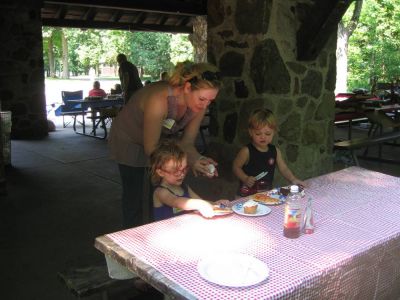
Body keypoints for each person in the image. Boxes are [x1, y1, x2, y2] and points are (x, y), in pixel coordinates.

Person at [108, 61, 222, 228]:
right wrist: (187, 162)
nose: (205, 105)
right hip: (129, 140)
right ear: (188, 87)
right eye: (202, 99)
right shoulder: (159, 99)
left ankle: (156, 229)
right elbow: (151, 149)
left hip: (160, 144)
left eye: (211, 101)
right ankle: (131, 239)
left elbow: (187, 143)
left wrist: (198, 160)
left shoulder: (200, 104)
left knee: (158, 191)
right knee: (135, 196)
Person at [232, 109, 306, 197]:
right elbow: (236, 166)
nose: (263, 137)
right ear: (250, 132)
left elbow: (284, 169)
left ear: (274, 132)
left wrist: (293, 179)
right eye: (258, 134)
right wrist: (245, 178)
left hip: (266, 195)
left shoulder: (275, 151)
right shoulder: (246, 151)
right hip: (246, 196)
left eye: (267, 134)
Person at [150, 140, 229, 221]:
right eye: (175, 171)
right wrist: (201, 204)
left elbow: (200, 201)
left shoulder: (184, 187)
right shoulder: (160, 192)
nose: (181, 174)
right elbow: (176, 201)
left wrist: (215, 204)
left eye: (184, 169)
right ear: (160, 172)